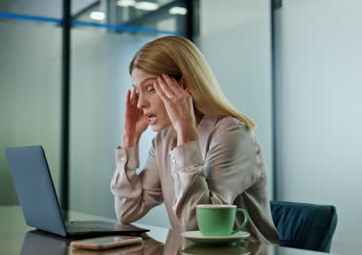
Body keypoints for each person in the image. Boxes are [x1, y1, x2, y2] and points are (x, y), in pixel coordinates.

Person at [110, 36, 279, 243]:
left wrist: (186, 134)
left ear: (184, 84)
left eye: (150, 88)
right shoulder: (164, 139)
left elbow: (200, 228)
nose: (141, 103)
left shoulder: (231, 134)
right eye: (137, 92)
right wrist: (130, 139)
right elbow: (127, 211)